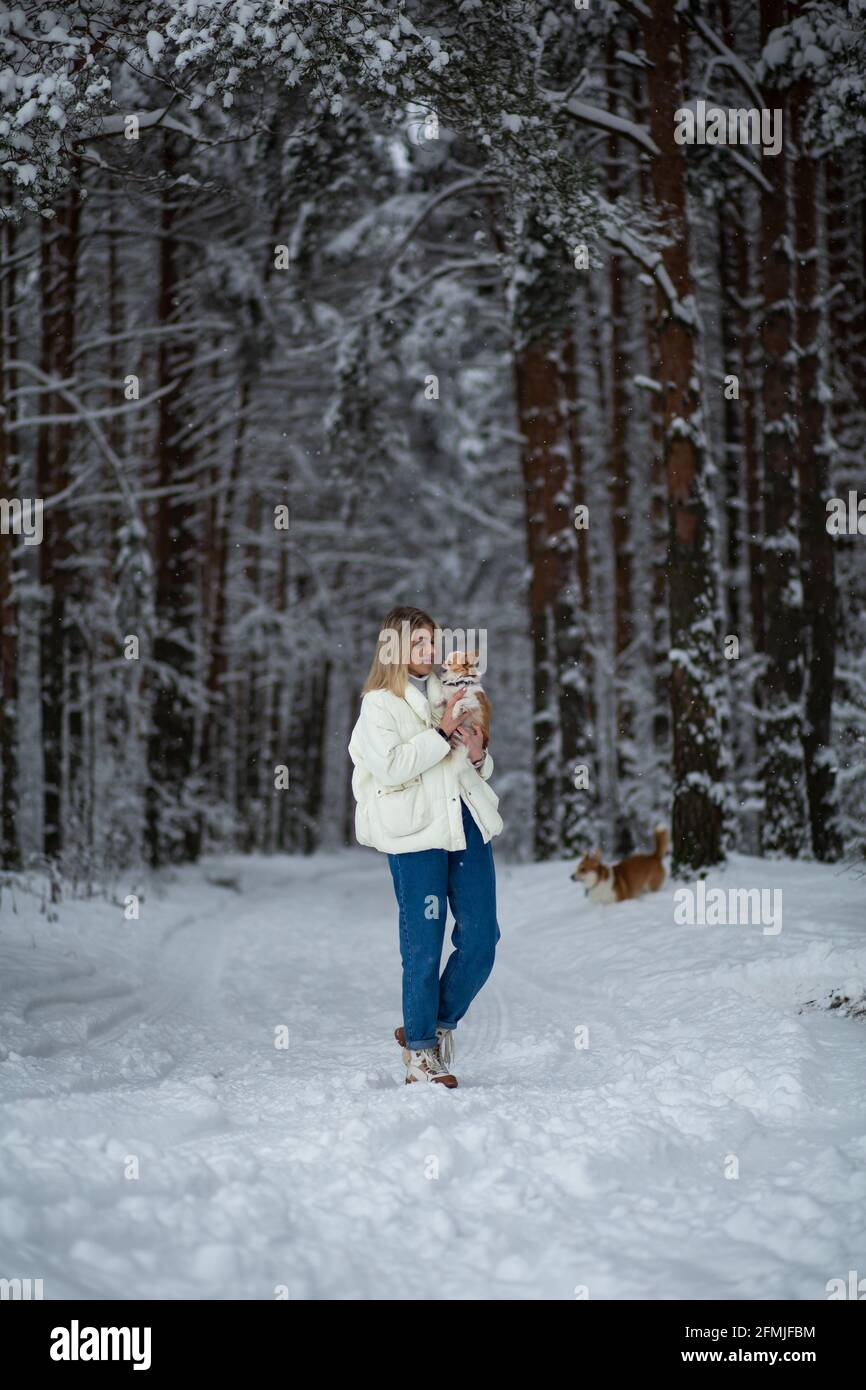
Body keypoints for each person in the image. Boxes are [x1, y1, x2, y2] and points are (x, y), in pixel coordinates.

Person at [348, 606, 504, 1086]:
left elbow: (468, 761)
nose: (429, 652)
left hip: (464, 824)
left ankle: (432, 1023)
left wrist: (478, 754)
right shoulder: (379, 704)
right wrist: (439, 733)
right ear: (393, 648)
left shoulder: (450, 692)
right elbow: (394, 766)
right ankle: (419, 1054)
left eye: (431, 643)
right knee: (423, 944)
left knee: (481, 939)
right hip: (416, 834)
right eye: (417, 644)